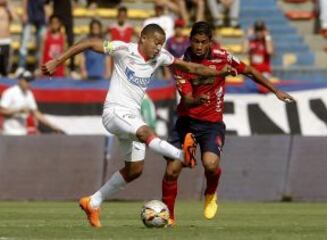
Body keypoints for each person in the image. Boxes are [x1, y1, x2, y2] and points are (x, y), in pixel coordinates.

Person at [41, 23, 236, 228]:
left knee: (134, 170)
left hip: (131, 117)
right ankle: (181, 155)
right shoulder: (123, 49)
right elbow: (89, 43)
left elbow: (190, 67)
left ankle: (93, 202)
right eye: (156, 43)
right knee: (145, 131)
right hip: (114, 112)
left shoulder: (160, 57)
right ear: (143, 38)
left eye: (161, 44)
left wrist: (219, 74)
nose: (159, 48)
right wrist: (58, 60)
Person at [161, 21, 294, 226]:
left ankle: (210, 193)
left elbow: (248, 70)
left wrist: (275, 90)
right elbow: (187, 99)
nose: (198, 46)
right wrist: (198, 100)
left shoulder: (223, 57)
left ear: (210, 42)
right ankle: (167, 216)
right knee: (171, 170)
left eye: (203, 42)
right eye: (195, 41)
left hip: (211, 123)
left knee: (211, 165)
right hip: (186, 121)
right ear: (190, 41)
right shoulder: (180, 63)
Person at [0, 70, 64, 135]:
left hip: (22, 132)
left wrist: (53, 126)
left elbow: (36, 113)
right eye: (27, 81)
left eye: (30, 81)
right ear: (20, 80)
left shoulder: (29, 94)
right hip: (9, 132)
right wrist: (18, 110)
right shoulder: (10, 92)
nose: (29, 83)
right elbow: (1, 111)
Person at [16, 0, 47, 75]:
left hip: (41, 16)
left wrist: (47, 16)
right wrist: (24, 13)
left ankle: (38, 68)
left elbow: (46, 4)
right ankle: (21, 67)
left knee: (40, 44)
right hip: (30, 13)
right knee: (24, 42)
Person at [244, 21, 274, 93]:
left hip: (264, 72)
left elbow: (270, 51)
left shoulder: (266, 41)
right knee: (248, 88)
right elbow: (245, 50)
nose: (259, 32)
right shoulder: (252, 41)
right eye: (257, 30)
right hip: (253, 72)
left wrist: (267, 36)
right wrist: (247, 36)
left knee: (263, 89)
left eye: (261, 30)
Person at [0, 0, 16, 77]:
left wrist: (8, 7)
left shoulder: (8, 9)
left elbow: (14, 18)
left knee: (5, 63)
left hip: (6, 40)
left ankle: (5, 77)